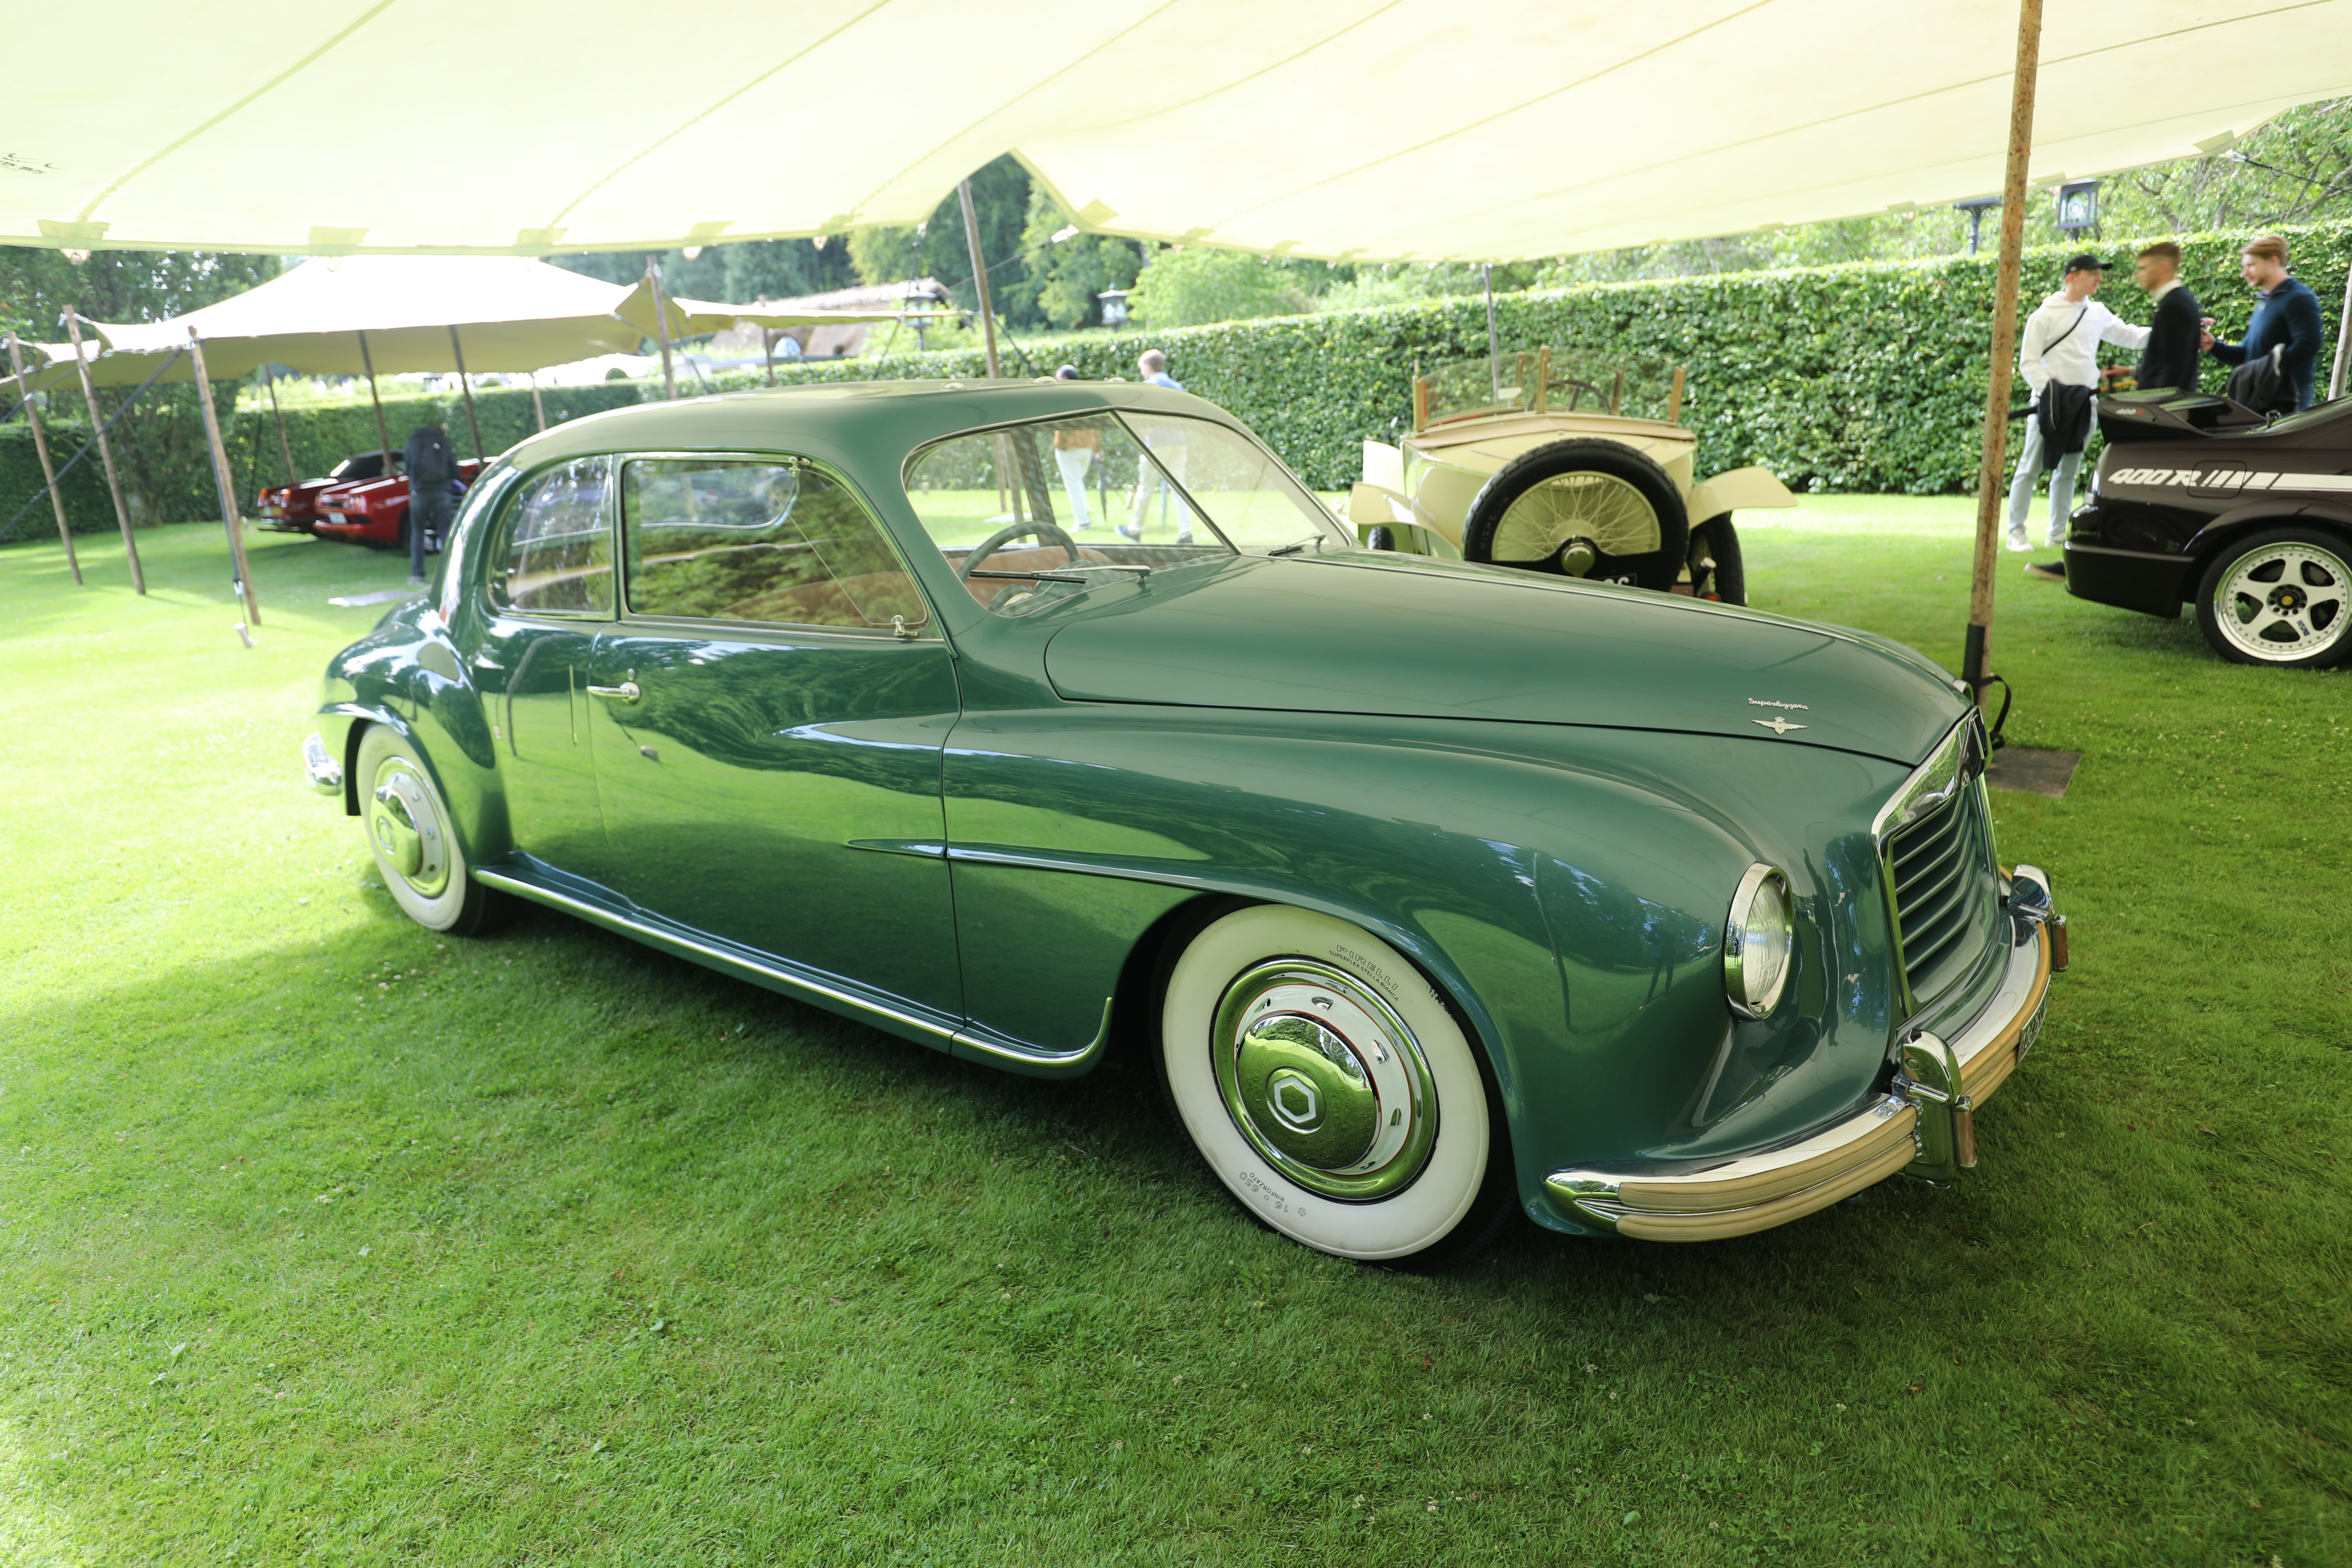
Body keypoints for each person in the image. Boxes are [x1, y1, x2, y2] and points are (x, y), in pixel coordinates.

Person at [2005, 254, 2149, 554]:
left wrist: (2179, 331)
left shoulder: (2097, 312)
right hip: (2050, 407)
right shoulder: (2043, 316)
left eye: (2100, 274)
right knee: (2030, 468)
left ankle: (2057, 533)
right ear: (2072, 276)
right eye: (2093, 274)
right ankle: (2015, 532)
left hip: (2086, 405)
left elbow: (2131, 336)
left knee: (2069, 471)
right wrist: (2053, 395)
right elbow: (2028, 364)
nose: (2099, 279)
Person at [2202, 233, 2326, 412]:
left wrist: (2269, 372)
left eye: (2251, 266)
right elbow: (2247, 354)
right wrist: (2214, 346)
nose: (2244, 273)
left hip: (2286, 401)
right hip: (2261, 399)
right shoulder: (2265, 302)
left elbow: (2308, 345)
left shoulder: (2299, 298)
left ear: (2272, 261)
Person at [1121, 349, 1192, 545]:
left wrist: (1144, 433)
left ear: (1148, 367)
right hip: (1179, 441)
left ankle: (1135, 530)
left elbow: (1144, 418)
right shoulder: (1177, 387)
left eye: (1142, 368)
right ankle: (1186, 533)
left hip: (1157, 444)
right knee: (1180, 490)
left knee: (1146, 489)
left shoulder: (1148, 387)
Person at [2131, 241, 2202, 396]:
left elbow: (2174, 367)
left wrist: (2159, 409)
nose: (2138, 275)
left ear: (2164, 267)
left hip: (2166, 410)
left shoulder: (2174, 306)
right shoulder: (2177, 301)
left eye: (2143, 268)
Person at [402, 422, 458, 586]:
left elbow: (408, 467)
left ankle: (418, 575)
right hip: (442, 492)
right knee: (445, 532)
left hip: (419, 492)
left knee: (418, 533)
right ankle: (452, 572)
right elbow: (455, 470)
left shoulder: (414, 442)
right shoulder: (443, 443)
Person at [1049, 365, 1100, 529]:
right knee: (1078, 484)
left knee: (1075, 486)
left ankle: (1084, 523)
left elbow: (1062, 424)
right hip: (1088, 447)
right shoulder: (1087, 396)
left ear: (1064, 380)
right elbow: (1096, 424)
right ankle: (1084, 517)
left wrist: (1061, 446)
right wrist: (1098, 448)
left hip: (1070, 448)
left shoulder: (1063, 398)